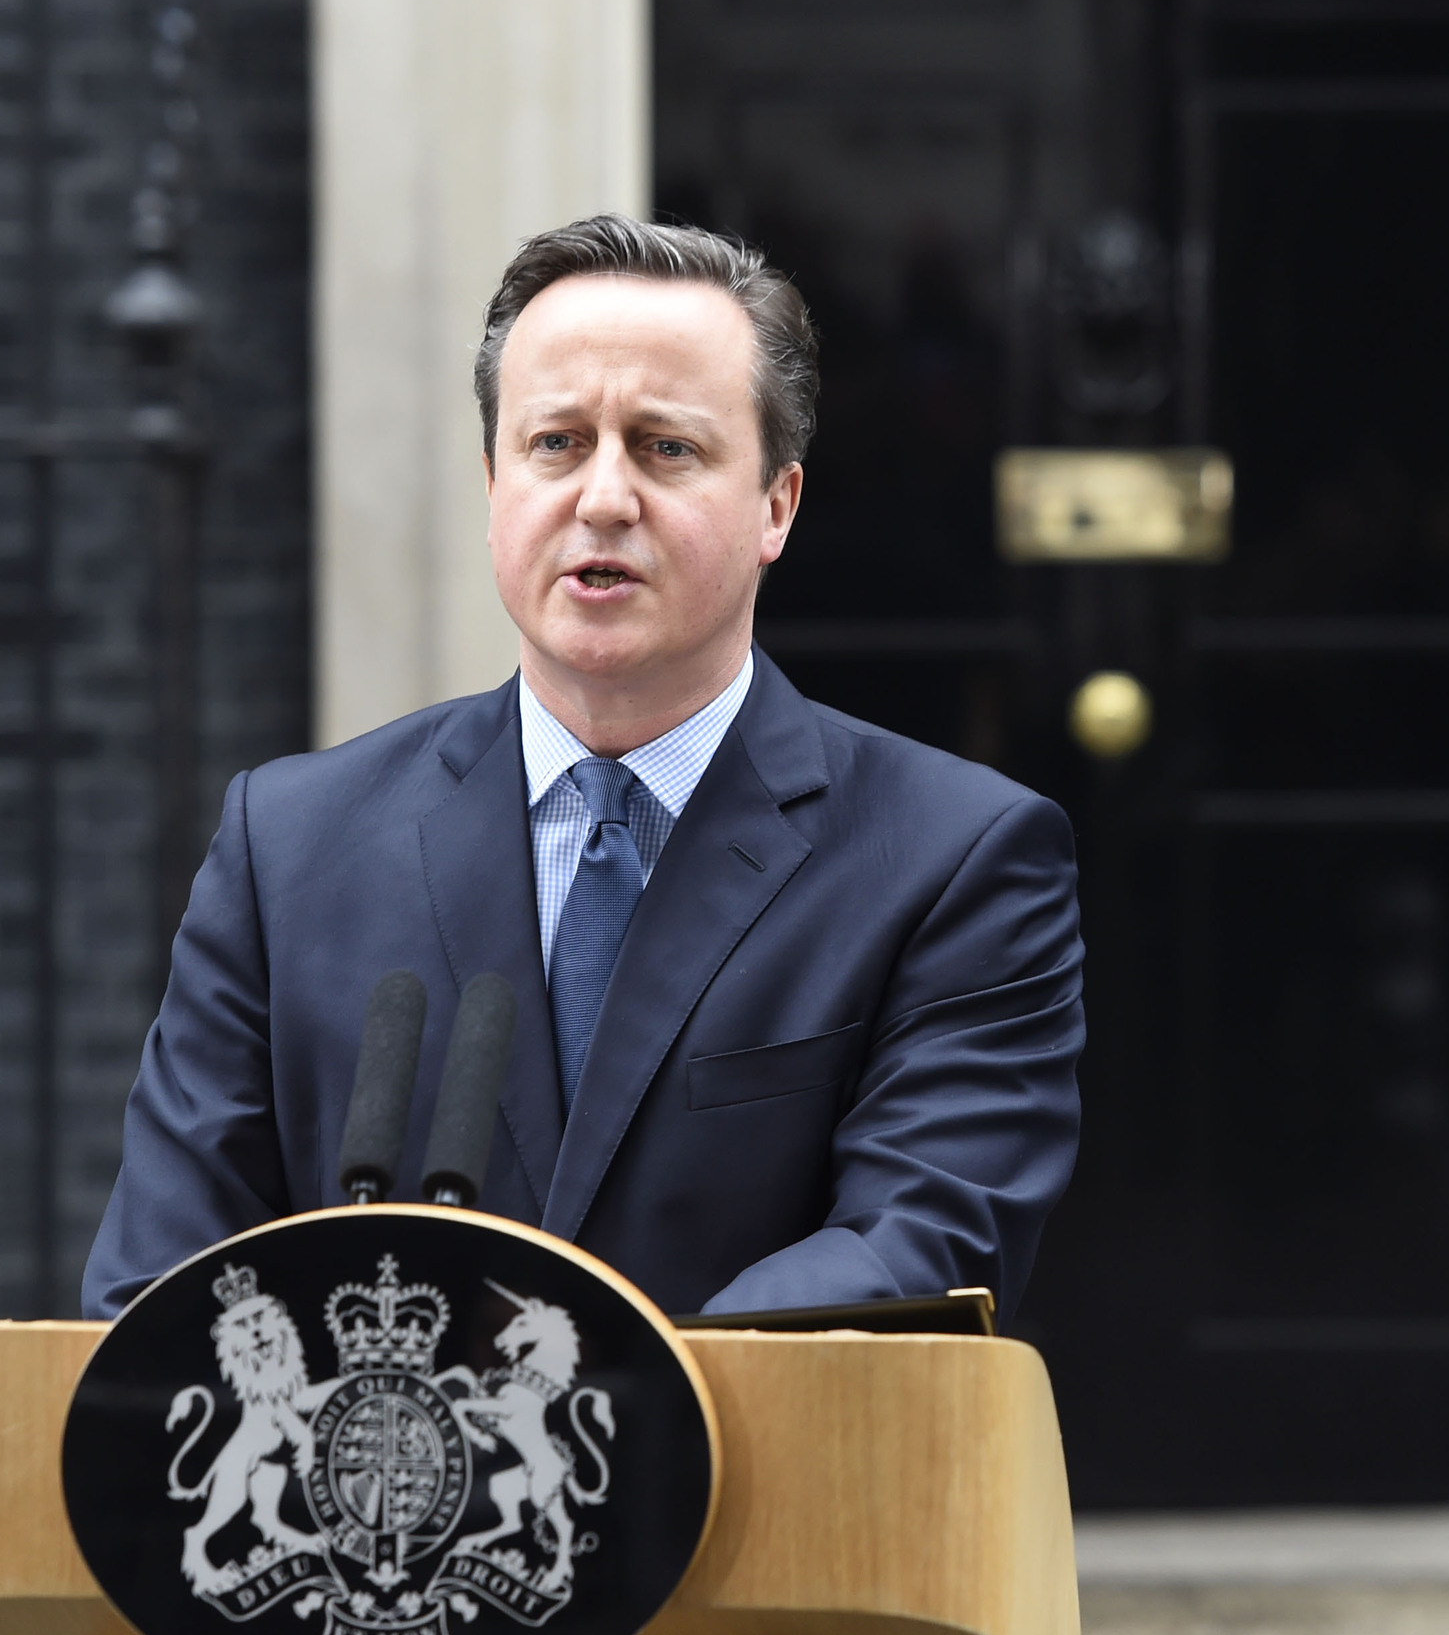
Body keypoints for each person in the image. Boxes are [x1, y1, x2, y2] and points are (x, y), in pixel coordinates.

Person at [81, 214, 1084, 1318]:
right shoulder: (287, 846)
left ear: (776, 506)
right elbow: (160, 1281)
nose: (602, 497)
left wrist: (593, 1418)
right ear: (492, 483)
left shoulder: (954, 860)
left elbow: (916, 1244)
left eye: (667, 447)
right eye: (555, 443)